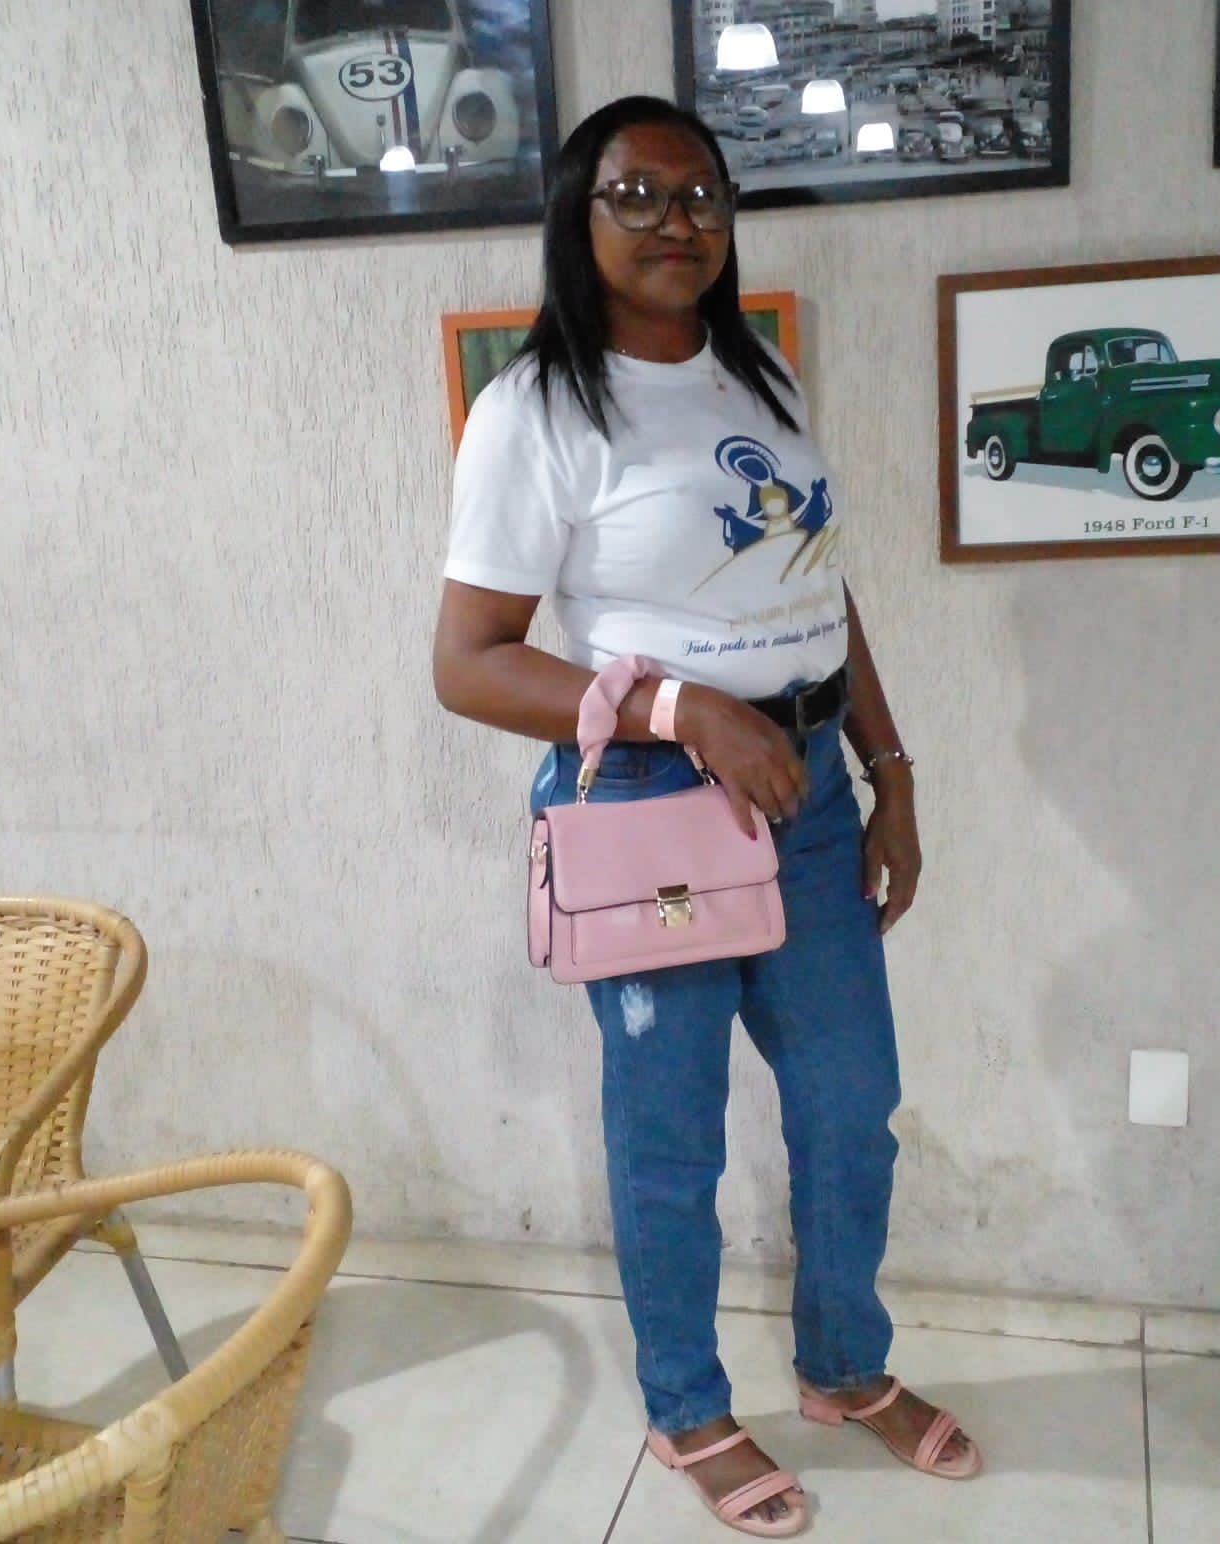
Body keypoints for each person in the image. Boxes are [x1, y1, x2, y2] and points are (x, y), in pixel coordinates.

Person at [432, 95, 980, 1538]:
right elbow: (469, 664)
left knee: (851, 1109)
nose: (677, 222)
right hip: (655, 811)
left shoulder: (761, 370)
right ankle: (685, 1406)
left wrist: (893, 772)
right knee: (669, 1140)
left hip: (811, 795)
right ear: (579, 215)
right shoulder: (536, 409)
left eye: (702, 195)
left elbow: (817, 587)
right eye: (638, 194)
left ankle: (844, 1368)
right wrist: (682, 710)